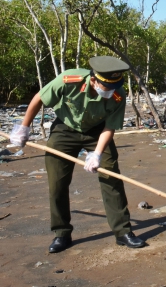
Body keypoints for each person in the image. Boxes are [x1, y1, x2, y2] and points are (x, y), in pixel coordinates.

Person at [10, 56, 147, 253]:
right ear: (93, 80)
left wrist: (97, 154)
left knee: (111, 177)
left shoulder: (118, 94)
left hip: (97, 132)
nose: (110, 92)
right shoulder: (69, 79)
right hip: (65, 129)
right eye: (106, 87)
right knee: (57, 181)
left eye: (113, 87)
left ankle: (123, 232)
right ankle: (62, 233)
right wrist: (24, 128)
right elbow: (39, 98)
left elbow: (110, 127)